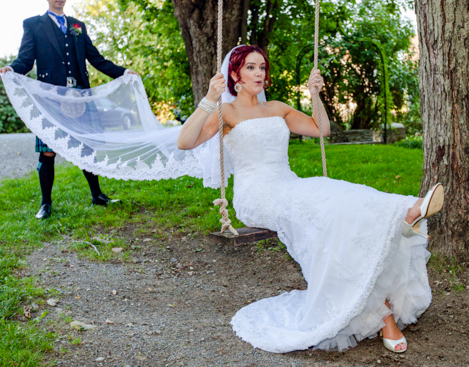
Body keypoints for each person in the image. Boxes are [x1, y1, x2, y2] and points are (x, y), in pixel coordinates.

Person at [177, 45, 444, 353]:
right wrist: (210, 98)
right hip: (257, 195)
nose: (259, 73)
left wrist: (315, 95)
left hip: (289, 185)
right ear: (234, 74)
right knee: (320, 200)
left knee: (336, 203)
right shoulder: (226, 113)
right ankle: (405, 212)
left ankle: (404, 219)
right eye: (251, 67)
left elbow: (321, 129)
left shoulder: (276, 107)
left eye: (262, 67)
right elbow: (185, 142)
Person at [0, 0, 138, 220]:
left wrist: (123, 72)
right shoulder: (33, 25)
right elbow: (26, 60)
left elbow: (96, 59)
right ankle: (46, 204)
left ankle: (97, 195)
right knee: (48, 152)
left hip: (80, 97)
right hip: (51, 98)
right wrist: (11, 68)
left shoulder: (77, 26)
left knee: (87, 146)